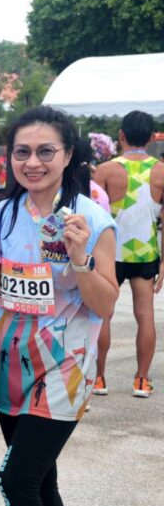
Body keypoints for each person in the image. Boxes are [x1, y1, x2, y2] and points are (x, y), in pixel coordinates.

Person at [0, 106, 118, 506]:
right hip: (11, 364)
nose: (32, 163)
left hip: (65, 367)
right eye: (22, 152)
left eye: (45, 151)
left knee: (16, 482)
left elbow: (106, 303)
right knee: (42, 484)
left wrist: (80, 258)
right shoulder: (0, 215)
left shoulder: (92, 219)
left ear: (68, 155)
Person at [92, 110, 164, 397]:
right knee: (145, 315)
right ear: (151, 138)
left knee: (103, 315)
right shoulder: (160, 171)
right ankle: (142, 380)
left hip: (110, 253)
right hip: (145, 253)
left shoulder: (105, 171)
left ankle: (98, 378)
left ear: (121, 135)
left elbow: (93, 216)